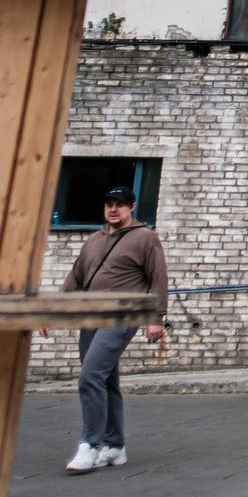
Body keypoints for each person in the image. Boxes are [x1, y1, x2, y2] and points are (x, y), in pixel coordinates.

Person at [57, 186, 168, 474]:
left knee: (90, 375)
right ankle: (115, 446)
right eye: (109, 204)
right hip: (92, 316)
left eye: (119, 204)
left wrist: (156, 319)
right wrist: (53, 310)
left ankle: (90, 444)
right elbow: (75, 277)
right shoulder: (94, 239)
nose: (113, 209)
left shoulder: (146, 238)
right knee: (105, 380)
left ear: (132, 206)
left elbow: (159, 279)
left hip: (122, 317)